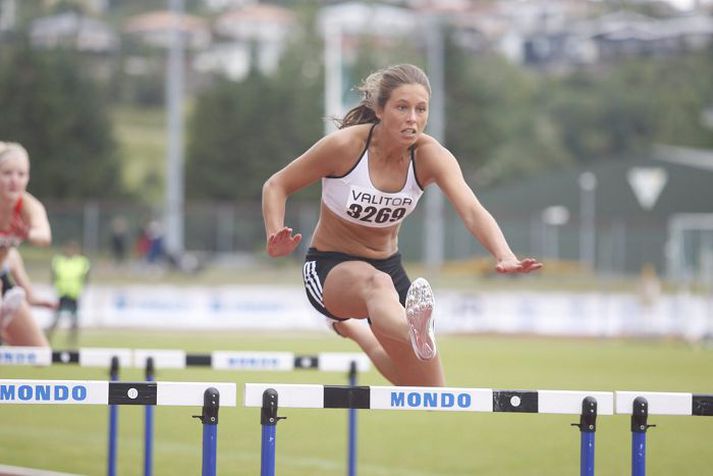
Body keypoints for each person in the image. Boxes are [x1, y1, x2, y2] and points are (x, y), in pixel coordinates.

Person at [262, 64, 542, 387]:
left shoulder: (430, 156)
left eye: (421, 109)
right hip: (330, 267)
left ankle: (357, 330)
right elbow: (276, 184)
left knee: (428, 390)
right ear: (379, 110)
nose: (412, 119)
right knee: (376, 284)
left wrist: (503, 254)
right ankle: (412, 328)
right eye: (402, 108)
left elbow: (471, 209)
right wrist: (274, 232)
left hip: (388, 266)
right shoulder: (346, 147)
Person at [0, 141, 53, 345]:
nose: (14, 181)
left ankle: (3, 328)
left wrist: (29, 233)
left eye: (21, 175)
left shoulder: (28, 205)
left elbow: (44, 236)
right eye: (7, 174)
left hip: (3, 280)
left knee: (39, 353)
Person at [0, 248, 56, 346]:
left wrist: (31, 296)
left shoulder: (11, 252)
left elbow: (43, 237)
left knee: (40, 354)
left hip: (6, 288)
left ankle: (3, 314)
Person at [46, 240, 90, 347]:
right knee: (56, 319)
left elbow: (86, 277)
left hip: (74, 295)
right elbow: (54, 276)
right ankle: (47, 340)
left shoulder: (81, 262)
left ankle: (71, 343)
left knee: (74, 321)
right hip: (62, 294)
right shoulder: (59, 261)